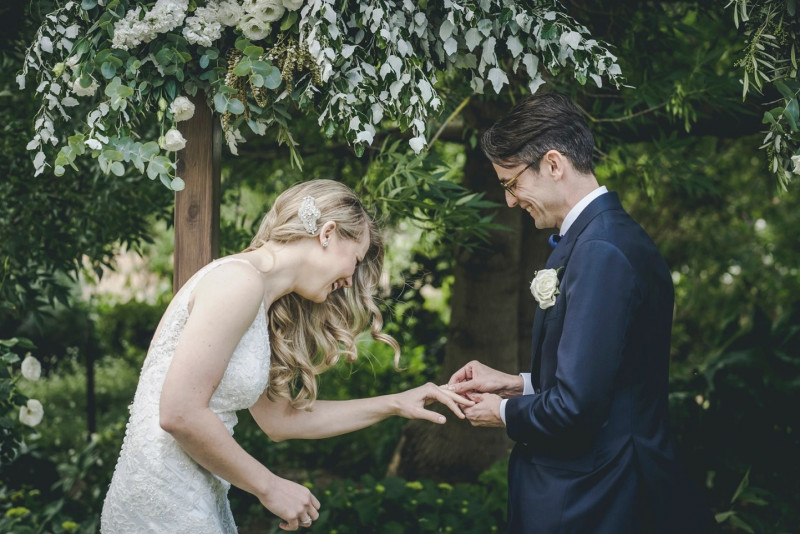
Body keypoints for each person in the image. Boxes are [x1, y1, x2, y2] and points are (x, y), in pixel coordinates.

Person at [101, 179, 472, 533]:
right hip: (161, 505)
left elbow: (280, 421)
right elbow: (179, 412)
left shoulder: (258, 299)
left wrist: (396, 403)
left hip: (192, 494)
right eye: (355, 260)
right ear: (326, 234)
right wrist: (269, 486)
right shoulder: (238, 282)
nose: (350, 279)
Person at [447, 93, 712, 533]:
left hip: (598, 495)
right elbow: (607, 376)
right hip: (595, 487)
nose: (510, 201)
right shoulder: (599, 238)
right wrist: (518, 384)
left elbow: (577, 407)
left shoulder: (601, 250)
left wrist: (503, 413)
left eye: (511, 183)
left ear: (553, 164)